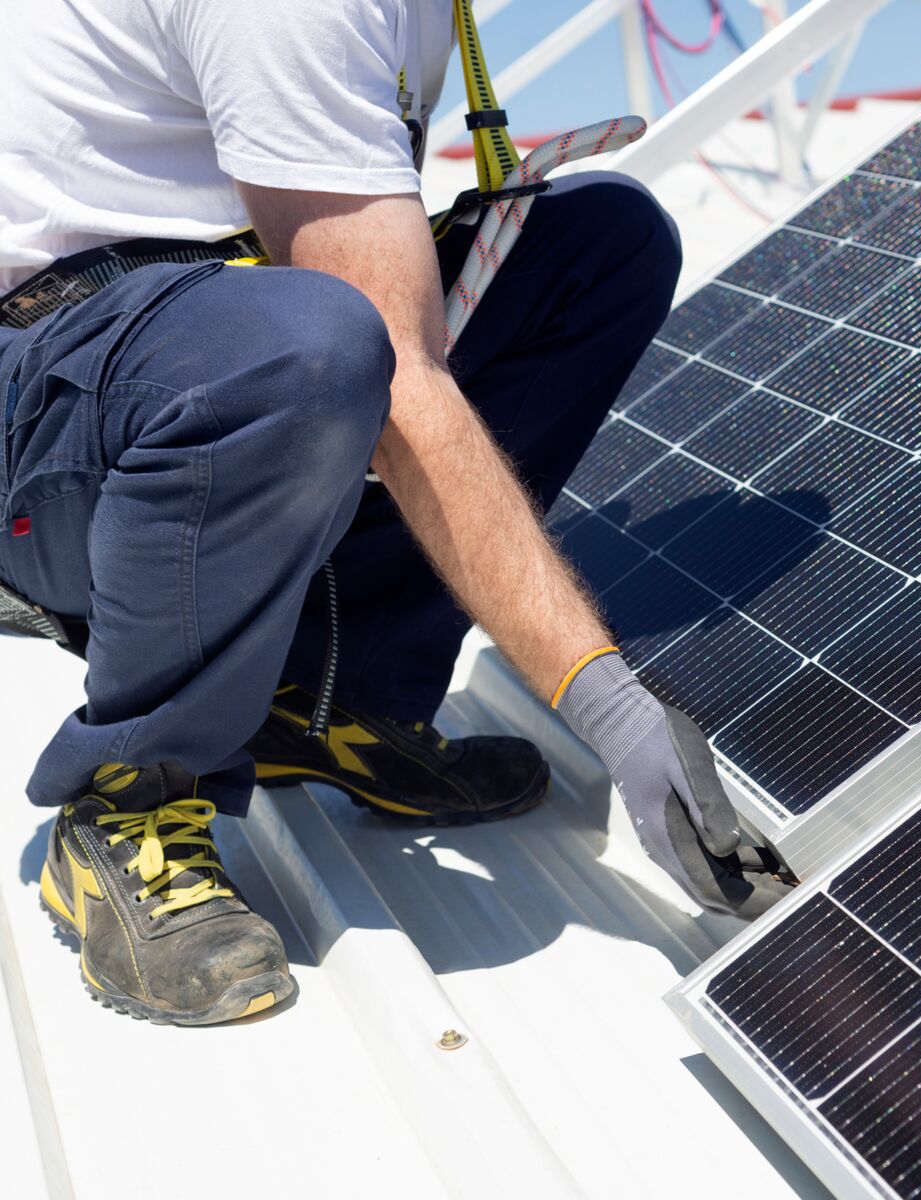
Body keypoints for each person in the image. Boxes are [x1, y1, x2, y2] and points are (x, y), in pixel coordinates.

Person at [0, 0, 789, 1026]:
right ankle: (132, 797)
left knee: (600, 244)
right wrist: (612, 710)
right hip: (47, 420)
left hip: (192, 349)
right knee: (316, 345)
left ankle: (333, 700)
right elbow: (391, 364)